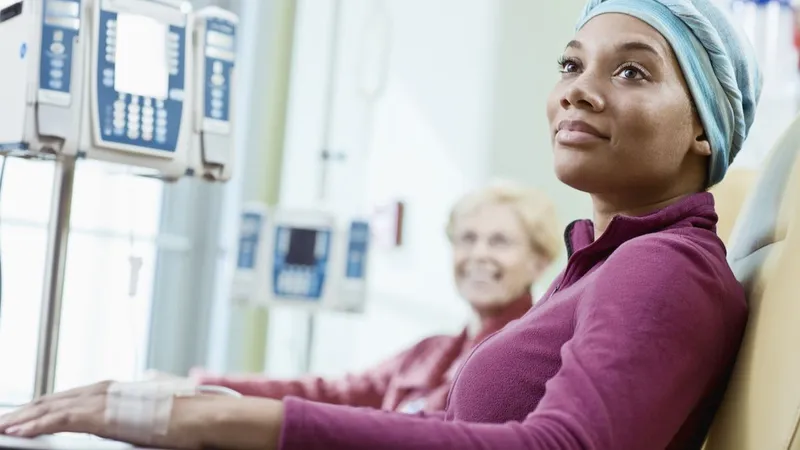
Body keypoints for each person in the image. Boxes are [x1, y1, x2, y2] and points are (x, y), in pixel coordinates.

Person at [0, 0, 762, 448]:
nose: (579, 91)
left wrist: (216, 421)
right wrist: (205, 396)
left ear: (705, 128)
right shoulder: (600, 267)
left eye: (631, 71)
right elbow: (352, 389)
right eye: (570, 64)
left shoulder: (663, 264)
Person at [179, 182, 561, 414]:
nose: (478, 254)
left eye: (500, 242)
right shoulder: (429, 352)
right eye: (467, 239)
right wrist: (197, 386)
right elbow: (333, 394)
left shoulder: (529, 359)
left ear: (539, 261)